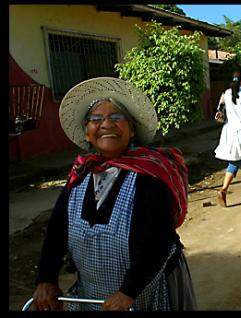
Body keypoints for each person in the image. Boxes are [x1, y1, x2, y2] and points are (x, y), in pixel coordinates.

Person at [32, 77, 197, 311]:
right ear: (87, 134)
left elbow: (157, 239)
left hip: (145, 290)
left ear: (131, 131)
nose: (106, 124)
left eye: (117, 117)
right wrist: (46, 278)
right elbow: (57, 229)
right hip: (94, 293)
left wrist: (128, 291)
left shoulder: (151, 175)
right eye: (96, 119)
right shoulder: (80, 174)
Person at [214, 71, 241, 207]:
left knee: (233, 162)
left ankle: (224, 189)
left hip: (230, 131)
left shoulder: (225, 94)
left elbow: (220, 112)